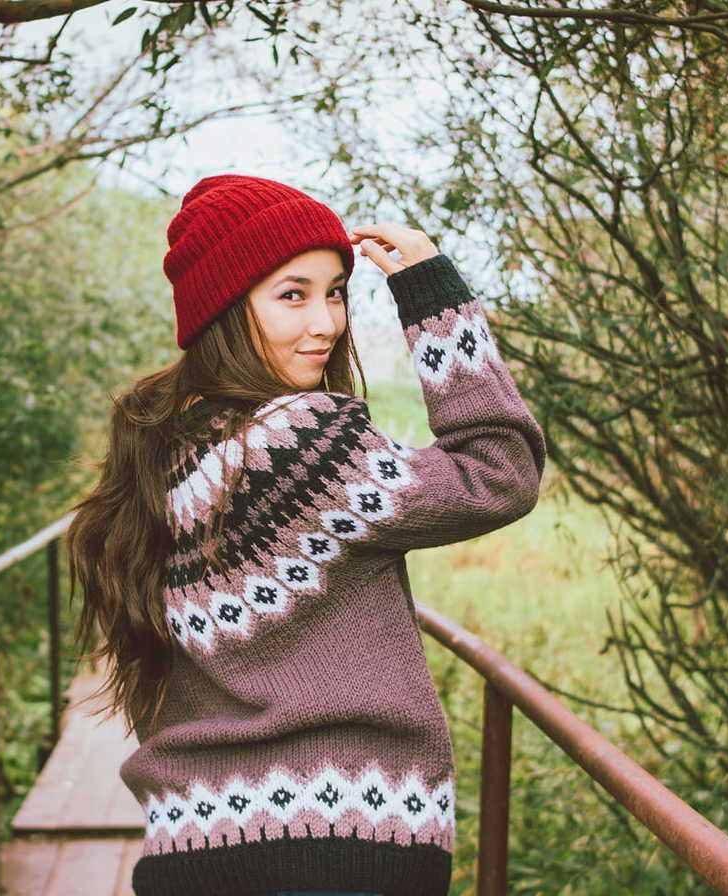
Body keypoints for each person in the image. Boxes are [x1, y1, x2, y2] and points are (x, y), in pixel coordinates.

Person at [61, 174, 547, 896]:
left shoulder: (165, 443)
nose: (325, 322)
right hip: (335, 837)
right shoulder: (299, 439)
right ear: (227, 310)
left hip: (196, 839)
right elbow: (499, 471)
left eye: (336, 292)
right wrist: (433, 296)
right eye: (292, 294)